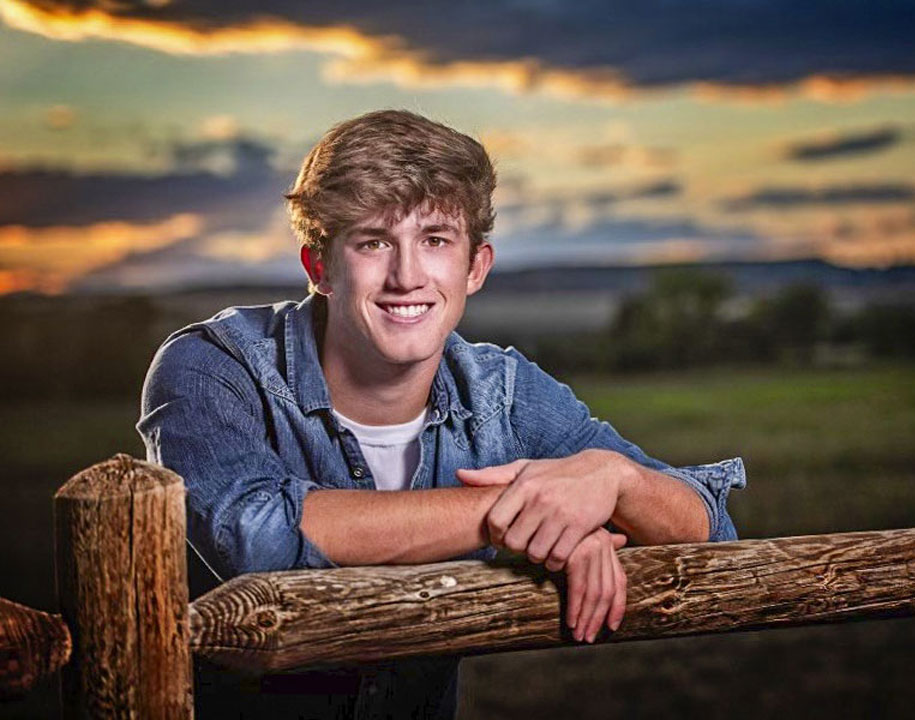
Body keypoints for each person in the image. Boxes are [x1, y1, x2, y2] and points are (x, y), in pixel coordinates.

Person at [138, 109, 745, 718]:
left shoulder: (500, 391)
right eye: (373, 241)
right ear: (320, 267)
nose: (406, 276)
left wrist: (611, 480)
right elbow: (258, 539)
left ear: (475, 266)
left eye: (435, 240)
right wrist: (529, 513)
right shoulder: (212, 366)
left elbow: (709, 529)